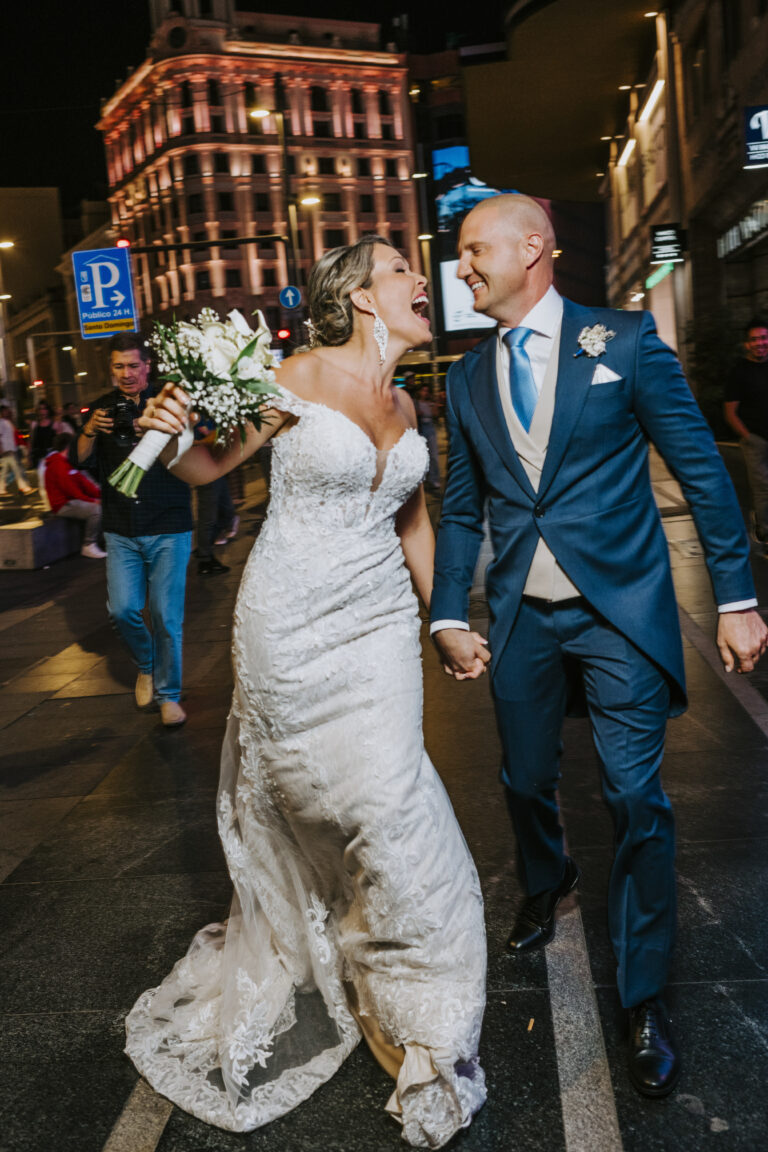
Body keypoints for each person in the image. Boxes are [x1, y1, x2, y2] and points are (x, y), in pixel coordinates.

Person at [127, 235, 487, 1146]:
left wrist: (443, 618)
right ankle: (343, 934)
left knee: (391, 800)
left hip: (379, 629)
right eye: (402, 270)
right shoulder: (293, 375)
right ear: (362, 296)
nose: (422, 279)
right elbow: (209, 467)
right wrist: (167, 434)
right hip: (289, 623)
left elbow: (412, 519)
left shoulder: (407, 402)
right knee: (329, 801)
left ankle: (422, 1008)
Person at [430, 194, 768, 1099]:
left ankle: (645, 996)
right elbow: (461, 508)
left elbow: (700, 467)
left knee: (634, 796)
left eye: (474, 249)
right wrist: (448, 612)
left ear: (533, 247)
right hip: (523, 617)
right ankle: (546, 878)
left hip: (620, 611)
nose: (461, 266)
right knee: (521, 778)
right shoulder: (466, 377)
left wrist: (736, 597)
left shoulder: (621, 341)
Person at [74, 334, 193, 728]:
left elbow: (197, 442)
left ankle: (169, 696)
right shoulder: (102, 409)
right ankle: (147, 663)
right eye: (118, 366)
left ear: (147, 366)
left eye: (133, 365)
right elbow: (80, 459)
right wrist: (90, 429)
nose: (126, 373)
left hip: (169, 523)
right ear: (111, 369)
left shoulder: (170, 401)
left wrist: (166, 431)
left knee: (165, 616)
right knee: (122, 610)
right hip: (121, 528)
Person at [723, 319, 768, 553]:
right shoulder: (739, 372)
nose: (760, 343)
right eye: (754, 339)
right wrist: (748, 438)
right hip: (756, 439)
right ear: (747, 344)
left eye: (763, 338)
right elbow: (730, 412)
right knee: (763, 487)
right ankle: (765, 530)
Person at [43, 431, 105, 557]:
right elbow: (71, 491)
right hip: (63, 505)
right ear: (69, 447)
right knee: (96, 510)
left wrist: (102, 495)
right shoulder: (57, 464)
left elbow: (85, 484)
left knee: (104, 505)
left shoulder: (68, 463)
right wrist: (93, 501)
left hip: (73, 501)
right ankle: (89, 545)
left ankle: (106, 540)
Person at [0, 403, 34, 496]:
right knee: (16, 468)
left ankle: (1, 488)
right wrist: (1, 449)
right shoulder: (2, 422)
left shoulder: (8, 422)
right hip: (7, 450)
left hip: (10, 449)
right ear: (2, 412)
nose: (8, 412)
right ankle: (23, 487)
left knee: (6, 470)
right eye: (5, 410)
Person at [415, 382, 441, 493]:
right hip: (420, 430)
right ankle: (422, 480)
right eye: (423, 390)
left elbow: (436, 415)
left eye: (427, 391)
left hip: (430, 429)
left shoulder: (430, 403)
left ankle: (434, 479)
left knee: (433, 455)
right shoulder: (416, 403)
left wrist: (434, 405)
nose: (425, 393)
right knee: (421, 457)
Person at [28, 400, 65, 468]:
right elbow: (31, 442)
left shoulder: (55, 424)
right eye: (40, 409)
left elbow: (60, 443)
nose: (42, 411)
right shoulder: (34, 425)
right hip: (38, 457)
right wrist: (29, 456)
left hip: (51, 457)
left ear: (48, 410)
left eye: (45, 409)